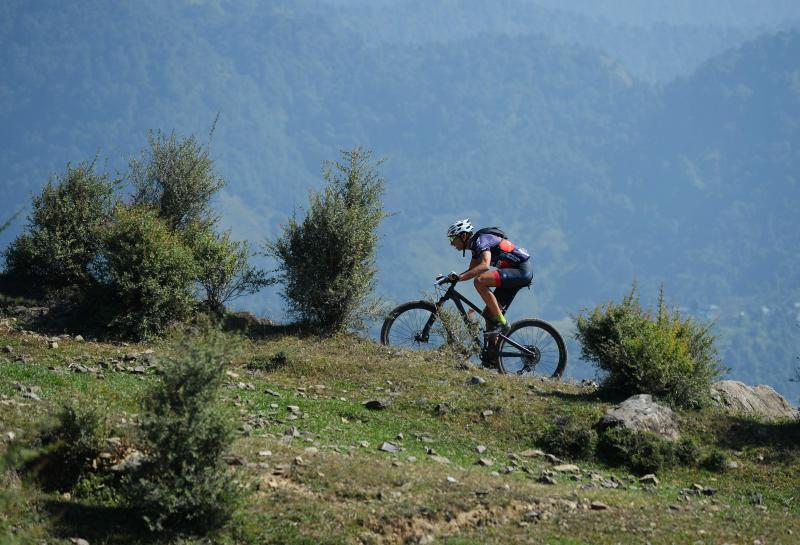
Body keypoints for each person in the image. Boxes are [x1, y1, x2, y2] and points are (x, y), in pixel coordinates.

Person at [446, 218, 533, 335]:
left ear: (464, 235)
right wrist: (453, 277)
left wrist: (460, 277)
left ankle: (503, 323)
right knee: (489, 315)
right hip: (513, 273)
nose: (451, 243)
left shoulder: (481, 241)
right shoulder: (475, 248)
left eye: (453, 238)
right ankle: (493, 352)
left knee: (479, 281)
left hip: (521, 270)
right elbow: (473, 270)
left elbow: (484, 265)